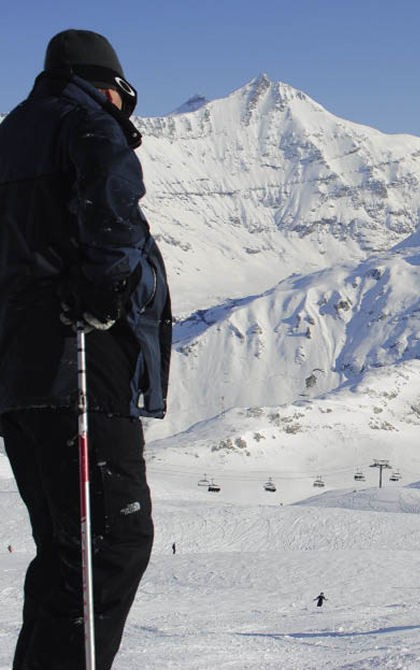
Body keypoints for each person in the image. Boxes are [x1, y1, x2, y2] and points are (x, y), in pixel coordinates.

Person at [0, 29, 172, 669]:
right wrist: (102, 293)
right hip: (83, 365)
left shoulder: (10, 132)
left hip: (19, 376)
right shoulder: (87, 124)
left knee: (64, 552)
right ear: (110, 85)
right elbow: (114, 214)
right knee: (111, 544)